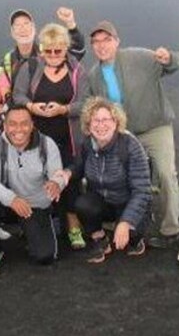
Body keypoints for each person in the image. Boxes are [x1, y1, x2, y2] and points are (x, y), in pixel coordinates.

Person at [84, 20, 179, 249]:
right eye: (96, 42)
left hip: (154, 127)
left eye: (106, 40)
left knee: (166, 173)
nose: (102, 46)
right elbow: (91, 107)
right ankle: (125, 221)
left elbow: (177, 62)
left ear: (117, 41)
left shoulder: (140, 57)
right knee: (121, 177)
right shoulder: (93, 75)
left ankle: (170, 229)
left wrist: (169, 57)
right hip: (122, 134)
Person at [13, 22, 87, 250]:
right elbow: (17, 95)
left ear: (66, 48)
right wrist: (32, 107)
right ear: (42, 49)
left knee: (68, 177)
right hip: (36, 136)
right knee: (37, 177)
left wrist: (64, 109)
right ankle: (41, 222)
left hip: (68, 136)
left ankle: (72, 223)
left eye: (58, 50)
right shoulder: (31, 66)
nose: (53, 55)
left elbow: (85, 103)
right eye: (48, 50)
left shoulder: (77, 71)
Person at [65, 98, 152, 263]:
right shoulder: (87, 145)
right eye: (95, 120)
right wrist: (66, 173)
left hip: (128, 202)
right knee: (84, 204)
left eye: (106, 119)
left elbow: (142, 190)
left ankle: (134, 237)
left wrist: (126, 222)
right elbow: (78, 168)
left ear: (116, 122)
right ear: (88, 125)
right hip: (104, 202)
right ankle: (100, 238)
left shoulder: (130, 145)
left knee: (131, 236)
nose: (100, 125)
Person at [0, 105, 66, 271]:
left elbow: (58, 174)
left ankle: (28, 233)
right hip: (7, 204)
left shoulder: (47, 144)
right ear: (4, 126)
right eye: (12, 124)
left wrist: (56, 183)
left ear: (32, 125)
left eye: (24, 123)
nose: (18, 129)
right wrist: (12, 199)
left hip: (34, 206)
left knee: (45, 256)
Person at [2, 7, 86, 85]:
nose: (22, 28)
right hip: (20, 100)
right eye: (17, 25)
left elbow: (77, 50)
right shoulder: (7, 61)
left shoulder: (48, 51)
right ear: (12, 33)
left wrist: (70, 23)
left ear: (34, 29)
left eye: (26, 23)